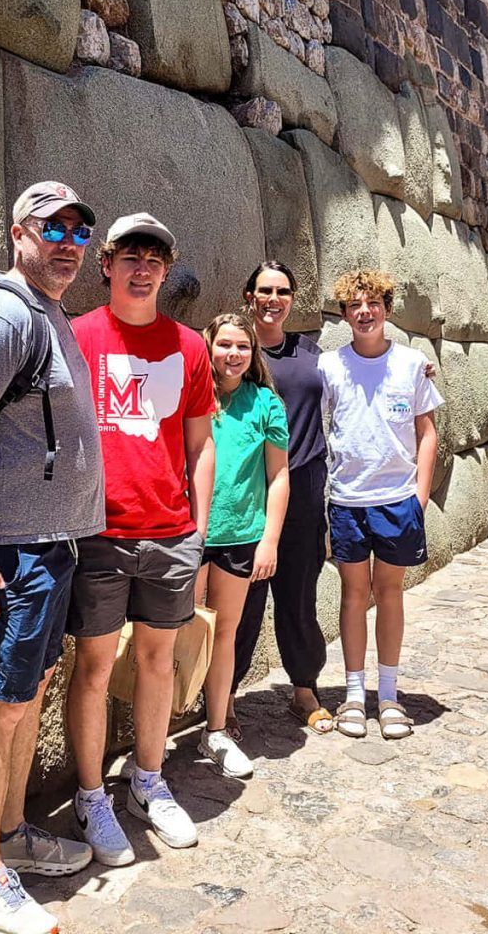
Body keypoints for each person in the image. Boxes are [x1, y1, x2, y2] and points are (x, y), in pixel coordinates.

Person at [0, 181, 105, 934]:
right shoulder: (5, 313)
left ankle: (11, 834)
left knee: (27, 695)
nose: (68, 242)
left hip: (47, 548)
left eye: (79, 230)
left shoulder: (48, 313)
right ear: (17, 234)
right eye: (53, 228)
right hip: (6, 552)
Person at [66, 213, 215, 864]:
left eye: (156, 254)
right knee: (94, 669)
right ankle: (91, 793)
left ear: (166, 266)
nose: (143, 265)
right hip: (97, 534)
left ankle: (147, 780)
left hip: (167, 533)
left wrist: (199, 525)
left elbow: (200, 442)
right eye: (131, 253)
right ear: (107, 263)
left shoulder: (189, 348)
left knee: (159, 662)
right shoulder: (75, 338)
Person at [318, 270, 442, 740]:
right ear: (345, 314)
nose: (364, 312)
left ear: (387, 310)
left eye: (373, 304)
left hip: (397, 499)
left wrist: (421, 493)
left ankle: (388, 696)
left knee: (390, 594)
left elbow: (427, 431)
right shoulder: (330, 366)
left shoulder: (412, 364)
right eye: (354, 306)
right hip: (348, 498)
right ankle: (353, 695)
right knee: (353, 595)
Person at [231, 261, 335, 736]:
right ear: (249, 296)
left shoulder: (312, 354)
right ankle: (223, 694)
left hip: (304, 491)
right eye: (264, 291)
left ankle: (303, 688)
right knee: (241, 600)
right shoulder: (234, 353)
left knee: (298, 594)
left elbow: (361, 367)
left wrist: (418, 365)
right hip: (249, 493)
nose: (273, 299)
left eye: (283, 291)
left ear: (293, 298)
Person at [194, 313, 289, 778]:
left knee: (225, 632)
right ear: (208, 346)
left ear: (253, 355)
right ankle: (162, 731)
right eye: (225, 344)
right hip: (190, 534)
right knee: (180, 631)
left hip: (239, 534)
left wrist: (269, 538)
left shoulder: (266, 403)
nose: (233, 354)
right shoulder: (194, 396)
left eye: (243, 347)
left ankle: (215, 728)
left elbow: (278, 475)